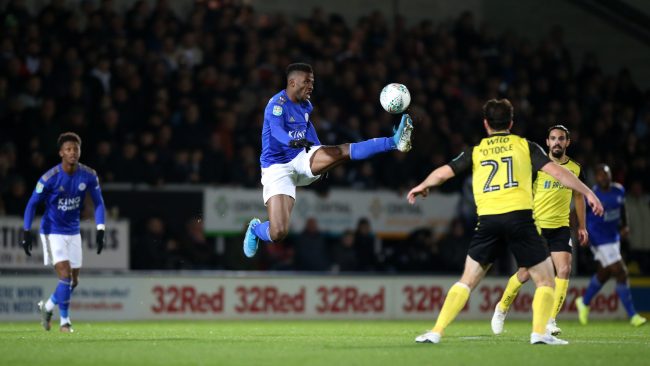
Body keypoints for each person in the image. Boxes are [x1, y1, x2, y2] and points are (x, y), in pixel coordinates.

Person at [407, 99, 603, 345]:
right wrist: (589, 192)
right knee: (545, 280)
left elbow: (444, 172)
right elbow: (559, 172)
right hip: (519, 219)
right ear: (511, 123)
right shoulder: (525, 146)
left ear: (486, 123)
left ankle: (436, 331)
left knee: (467, 280)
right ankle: (539, 332)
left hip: (487, 222)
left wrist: (423, 185)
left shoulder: (476, 150)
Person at [243, 63, 413, 257]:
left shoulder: (305, 104)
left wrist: (319, 150)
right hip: (277, 168)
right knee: (278, 231)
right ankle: (255, 229)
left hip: (300, 157)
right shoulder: (277, 104)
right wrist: (292, 141)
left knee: (338, 152)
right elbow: (276, 131)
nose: (311, 86)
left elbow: (308, 128)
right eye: (307, 82)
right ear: (292, 82)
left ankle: (394, 141)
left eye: (313, 82)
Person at [491, 125, 588, 336]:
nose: (557, 142)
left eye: (561, 139)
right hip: (537, 228)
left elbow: (579, 196)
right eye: (553, 138)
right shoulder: (537, 167)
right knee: (524, 273)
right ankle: (502, 307)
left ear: (567, 142)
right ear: (547, 142)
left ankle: (550, 320)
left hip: (561, 227)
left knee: (563, 270)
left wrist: (582, 226)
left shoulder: (576, 168)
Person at [21, 132, 106, 333]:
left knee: (73, 282)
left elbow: (99, 203)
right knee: (65, 276)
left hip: (73, 231)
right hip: (52, 231)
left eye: (75, 149)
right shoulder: (49, 178)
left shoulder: (89, 175)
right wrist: (26, 231)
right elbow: (32, 203)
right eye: (68, 149)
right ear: (61, 153)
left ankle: (48, 307)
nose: (72, 152)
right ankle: (65, 322)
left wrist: (100, 228)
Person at [575, 164, 647, 327]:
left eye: (606, 174)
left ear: (610, 175)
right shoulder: (591, 194)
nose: (604, 177)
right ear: (596, 177)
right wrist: (581, 231)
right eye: (600, 175)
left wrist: (625, 225)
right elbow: (578, 212)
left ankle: (584, 302)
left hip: (613, 237)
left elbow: (622, 209)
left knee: (605, 273)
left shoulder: (619, 191)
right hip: (598, 238)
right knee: (621, 272)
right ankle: (633, 315)